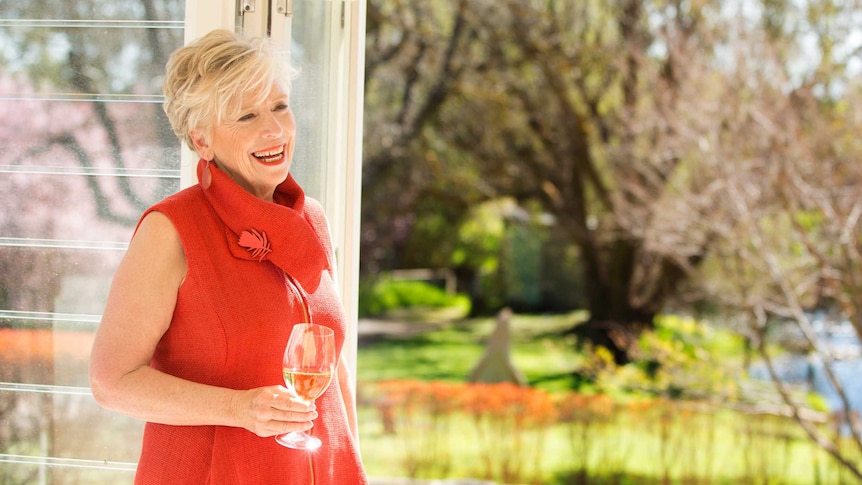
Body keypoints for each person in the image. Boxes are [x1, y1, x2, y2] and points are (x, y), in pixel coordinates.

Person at [89, 29, 368, 484]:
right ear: (202, 142)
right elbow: (111, 382)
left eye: (279, 106)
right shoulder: (169, 230)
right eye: (246, 116)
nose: (274, 129)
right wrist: (238, 408)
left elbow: (333, 368)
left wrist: (356, 469)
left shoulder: (311, 218)